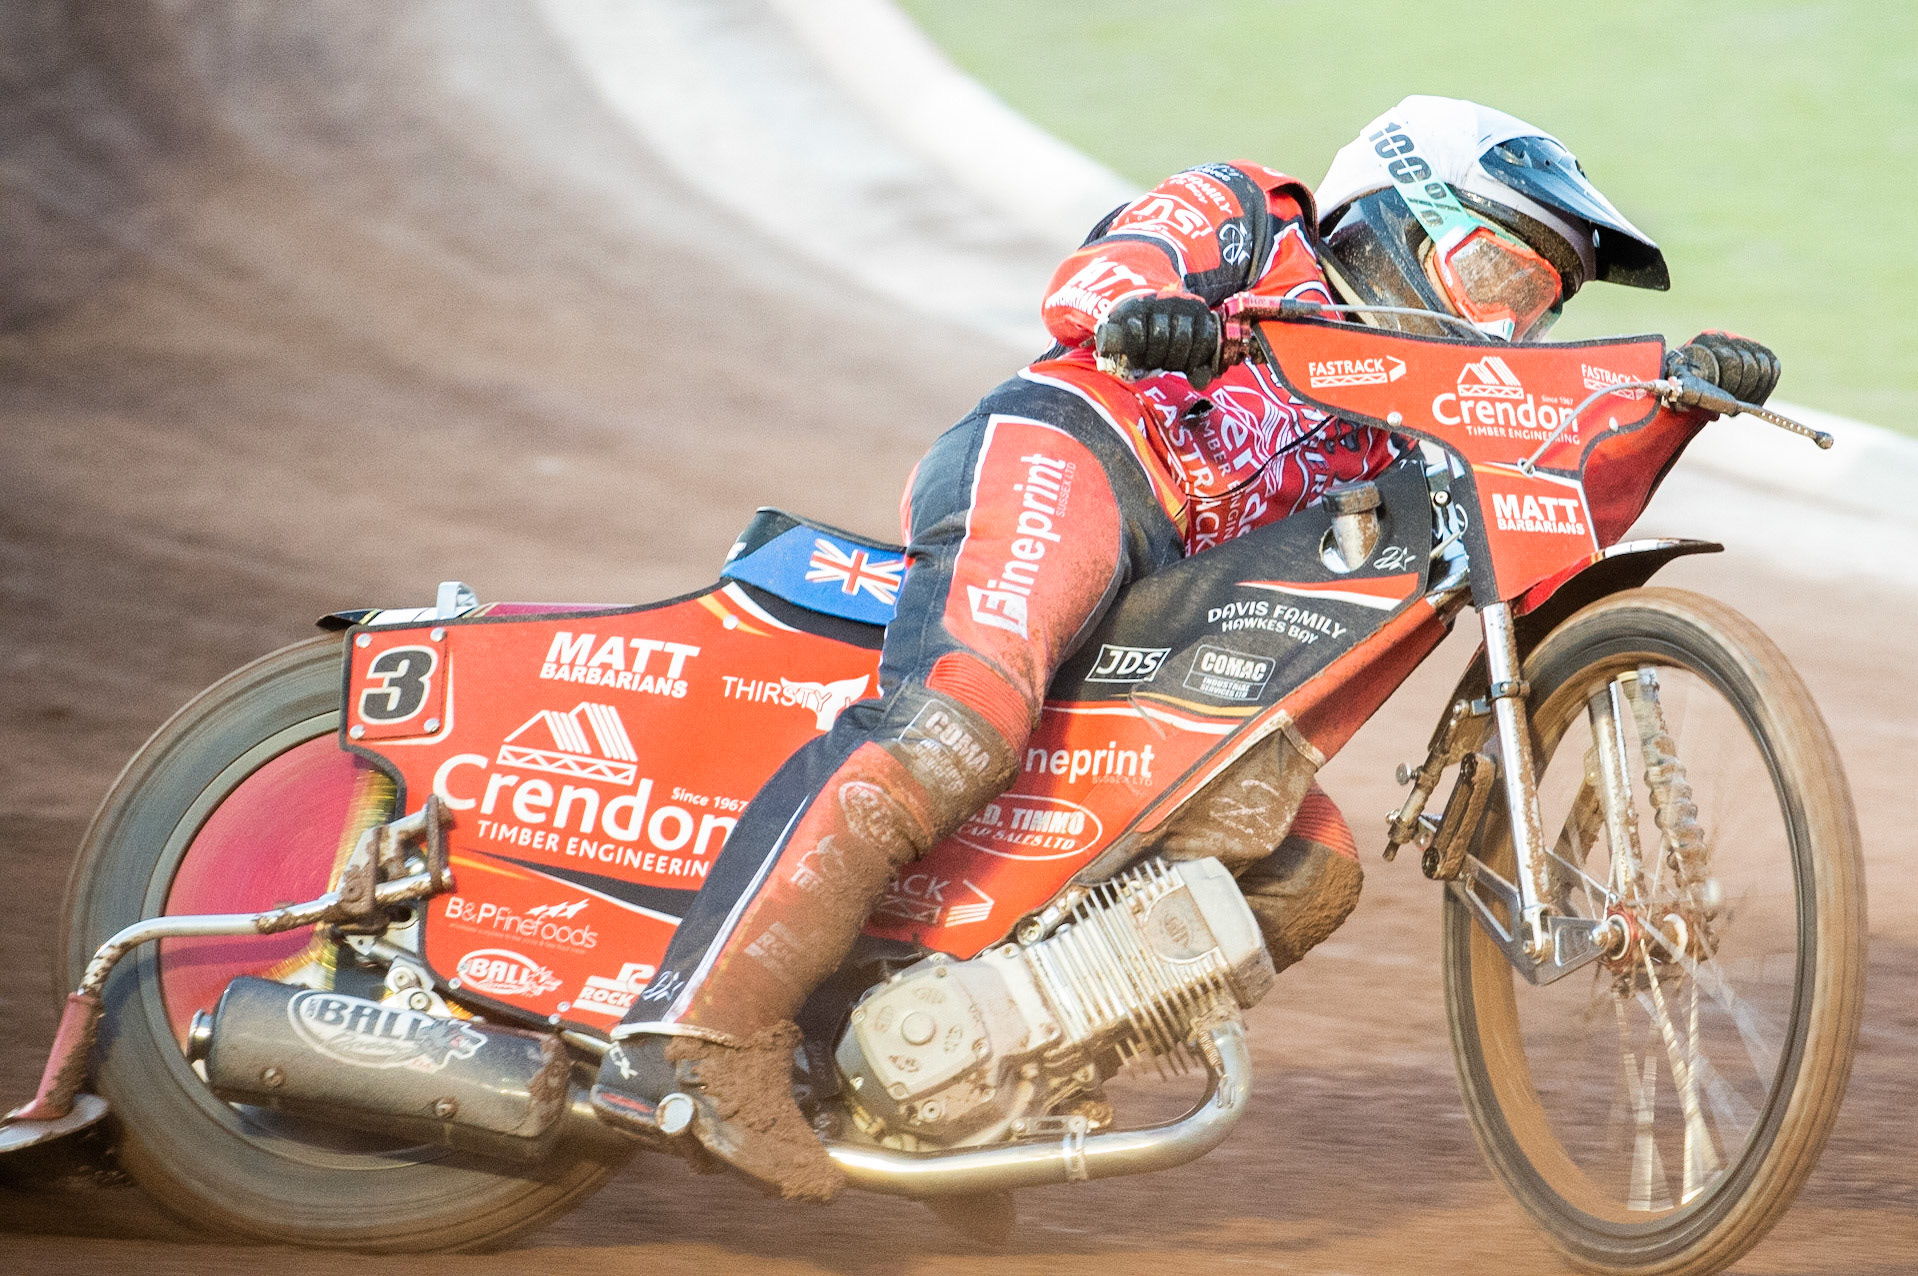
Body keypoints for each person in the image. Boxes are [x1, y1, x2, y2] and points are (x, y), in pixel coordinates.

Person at [590, 95, 1780, 1199]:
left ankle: (957, 1076)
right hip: (1081, 454)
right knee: (959, 713)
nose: (1507, 322)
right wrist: (1143, 315)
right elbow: (1111, 269)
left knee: (1298, 865)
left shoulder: (1423, 412)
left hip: (1187, 597)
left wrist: (1671, 391)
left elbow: (1543, 528)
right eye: (1492, 272)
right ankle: (690, 1036)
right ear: (1395, 218)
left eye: (1538, 306)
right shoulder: (1252, 218)